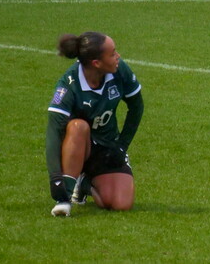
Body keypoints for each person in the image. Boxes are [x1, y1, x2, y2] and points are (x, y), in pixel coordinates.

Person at [46, 32, 143, 217]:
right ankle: (66, 196)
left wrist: (121, 146)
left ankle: (85, 184)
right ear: (96, 63)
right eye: (112, 53)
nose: (118, 57)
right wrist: (56, 179)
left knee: (120, 204)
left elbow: (137, 106)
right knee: (77, 127)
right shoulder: (68, 85)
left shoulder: (119, 70)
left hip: (107, 146)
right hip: (77, 148)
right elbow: (53, 132)